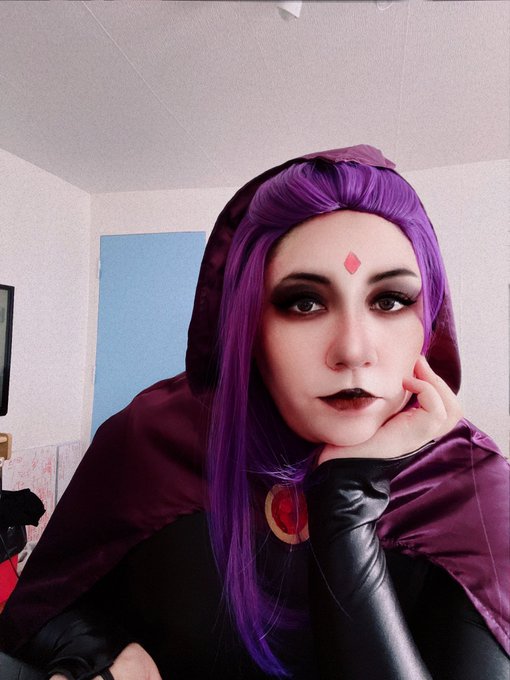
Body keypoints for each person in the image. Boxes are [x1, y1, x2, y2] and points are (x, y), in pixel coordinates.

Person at [0, 145, 508, 680]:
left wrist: (346, 504)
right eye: (305, 302)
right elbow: (39, 613)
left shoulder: (468, 485)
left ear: (429, 319)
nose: (353, 349)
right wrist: (99, 656)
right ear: (247, 324)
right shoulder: (153, 437)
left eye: (390, 300)